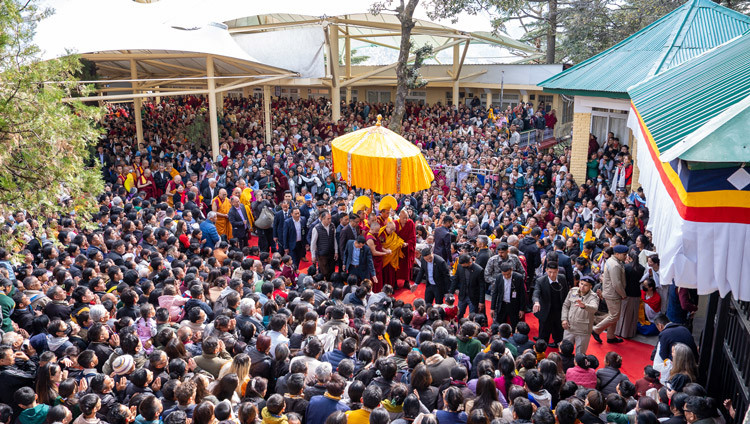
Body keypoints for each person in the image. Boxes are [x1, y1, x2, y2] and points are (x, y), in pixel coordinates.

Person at [592, 245, 628, 344]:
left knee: (613, 315)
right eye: (624, 255)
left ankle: (611, 336)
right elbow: (616, 283)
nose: (626, 256)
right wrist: (623, 294)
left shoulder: (612, 261)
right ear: (617, 254)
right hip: (613, 294)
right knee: (614, 316)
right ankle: (596, 330)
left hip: (610, 292)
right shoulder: (615, 265)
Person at [532, 261, 568, 349]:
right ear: (546, 270)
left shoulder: (562, 278)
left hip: (559, 310)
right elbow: (536, 293)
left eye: (554, 272)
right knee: (544, 333)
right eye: (550, 272)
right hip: (546, 311)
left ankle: (558, 345)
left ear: (558, 271)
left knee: (559, 332)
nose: (552, 275)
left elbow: (566, 293)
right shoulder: (541, 281)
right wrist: (536, 302)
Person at [561, 275, 599, 354]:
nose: (582, 287)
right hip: (569, 327)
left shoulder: (593, 297)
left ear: (590, 287)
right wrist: (564, 319)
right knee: (564, 352)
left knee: (580, 355)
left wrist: (585, 306)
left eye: (585, 285)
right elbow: (565, 306)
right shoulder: (572, 291)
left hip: (582, 331)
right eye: (581, 284)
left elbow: (594, 308)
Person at [491, 262, 525, 330]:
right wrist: (492, 308)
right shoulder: (499, 277)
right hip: (502, 304)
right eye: (504, 274)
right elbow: (495, 293)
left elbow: (522, 294)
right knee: (500, 325)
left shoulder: (518, 277)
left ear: (511, 270)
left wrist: (522, 309)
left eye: (508, 274)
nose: (506, 276)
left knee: (514, 324)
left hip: (514, 305)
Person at [450, 254, 485, 319]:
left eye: (465, 266)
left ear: (470, 262)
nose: (463, 267)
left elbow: (482, 287)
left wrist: (481, 301)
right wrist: (451, 292)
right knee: (459, 314)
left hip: (473, 297)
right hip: (462, 295)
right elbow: (455, 279)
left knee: (472, 317)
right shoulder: (460, 266)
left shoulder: (479, 270)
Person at [309, 211, 338, 280]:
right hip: (322, 254)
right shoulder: (316, 228)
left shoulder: (332, 226)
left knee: (332, 270)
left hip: (331, 252)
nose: (330, 220)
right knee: (324, 271)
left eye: (330, 218)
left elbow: (335, 239)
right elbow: (313, 243)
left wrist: (336, 251)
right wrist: (313, 256)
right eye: (328, 219)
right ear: (323, 219)